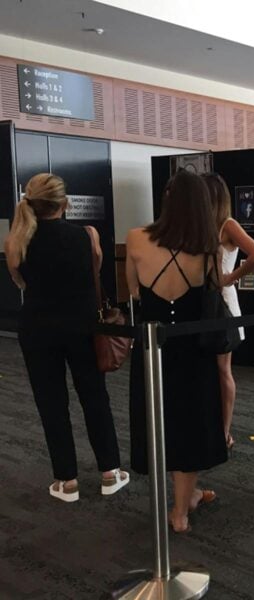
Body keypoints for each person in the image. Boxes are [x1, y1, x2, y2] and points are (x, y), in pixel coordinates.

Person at [4, 173, 129, 503]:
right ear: (65, 202)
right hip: (83, 327)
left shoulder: (17, 241)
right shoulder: (87, 235)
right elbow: (95, 269)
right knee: (93, 396)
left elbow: (21, 283)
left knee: (51, 403)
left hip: (37, 329)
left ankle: (66, 481)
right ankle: (110, 472)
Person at [126, 170, 227, 533]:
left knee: (160, 422)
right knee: (191, 423)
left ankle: (183, 500)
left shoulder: (136, 239)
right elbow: (213, 296)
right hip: (192, 353)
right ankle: (182, 508)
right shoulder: (208, 249)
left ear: (166, 200)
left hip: (153, 349)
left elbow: (135, 293)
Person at [203, 173, 254, 452]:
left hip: (223, 302)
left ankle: (225, 431)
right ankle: (210, 426)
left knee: (222, 369)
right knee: (208, 369)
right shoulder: (203, 225)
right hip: (203, 302)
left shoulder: (228, 224)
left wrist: (232, 276)